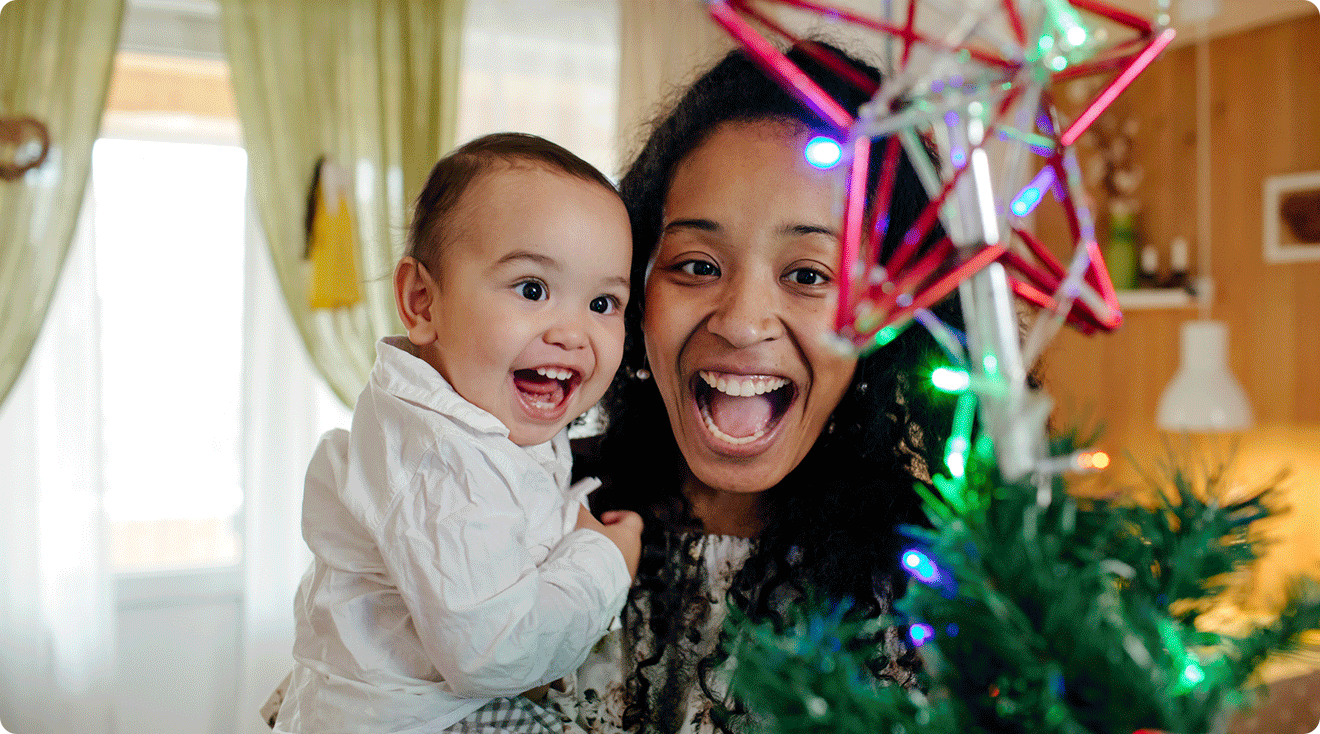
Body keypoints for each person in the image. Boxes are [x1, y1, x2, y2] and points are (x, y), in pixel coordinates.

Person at [549, 41, 960, 734]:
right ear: (633, 291)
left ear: (888, 316)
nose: (741, 322)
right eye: (696, 265)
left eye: (807, 275)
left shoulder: (940, 588)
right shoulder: (531, 513)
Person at [272, 132, 644, 734]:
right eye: (532, 289)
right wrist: (605, 561)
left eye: (604, 304)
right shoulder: (441, 459)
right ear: (422, 300)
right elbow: (495, 653)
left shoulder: (477, 422)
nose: (574, 333)